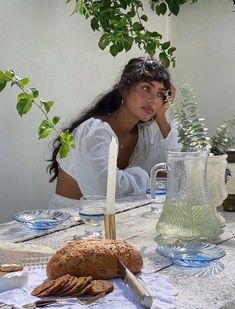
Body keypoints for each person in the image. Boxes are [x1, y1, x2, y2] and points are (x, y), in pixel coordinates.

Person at [48, 56, 180, 208]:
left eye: (160, 94)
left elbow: (178, 173)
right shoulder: (93, 131)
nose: (154, 100)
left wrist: (161, 117)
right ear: (124, 89)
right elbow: (104, 190)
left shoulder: (144, 134)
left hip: (117, 219)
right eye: (146, 88)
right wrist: (149, 178)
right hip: (72, 220)